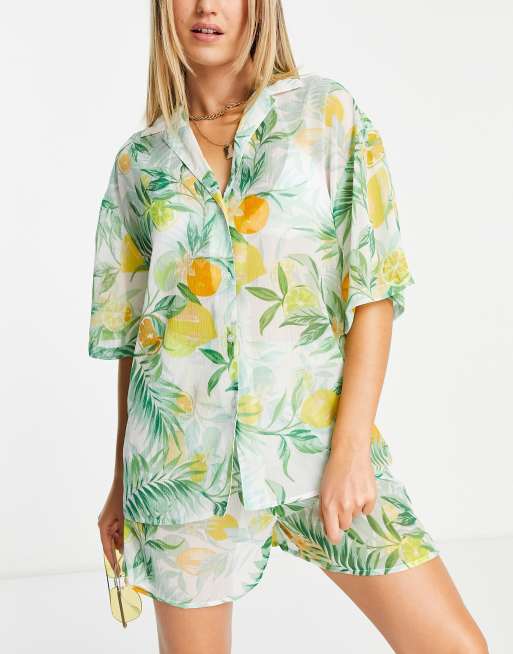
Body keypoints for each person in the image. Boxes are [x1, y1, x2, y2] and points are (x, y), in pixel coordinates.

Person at [91, 1, 488, 652]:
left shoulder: (323, 116)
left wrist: (351, 452)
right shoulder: (140, 163)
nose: (207, 6)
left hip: (316, 446)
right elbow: (136, 339)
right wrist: (120, 484)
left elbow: (372, 287)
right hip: (181, 473)